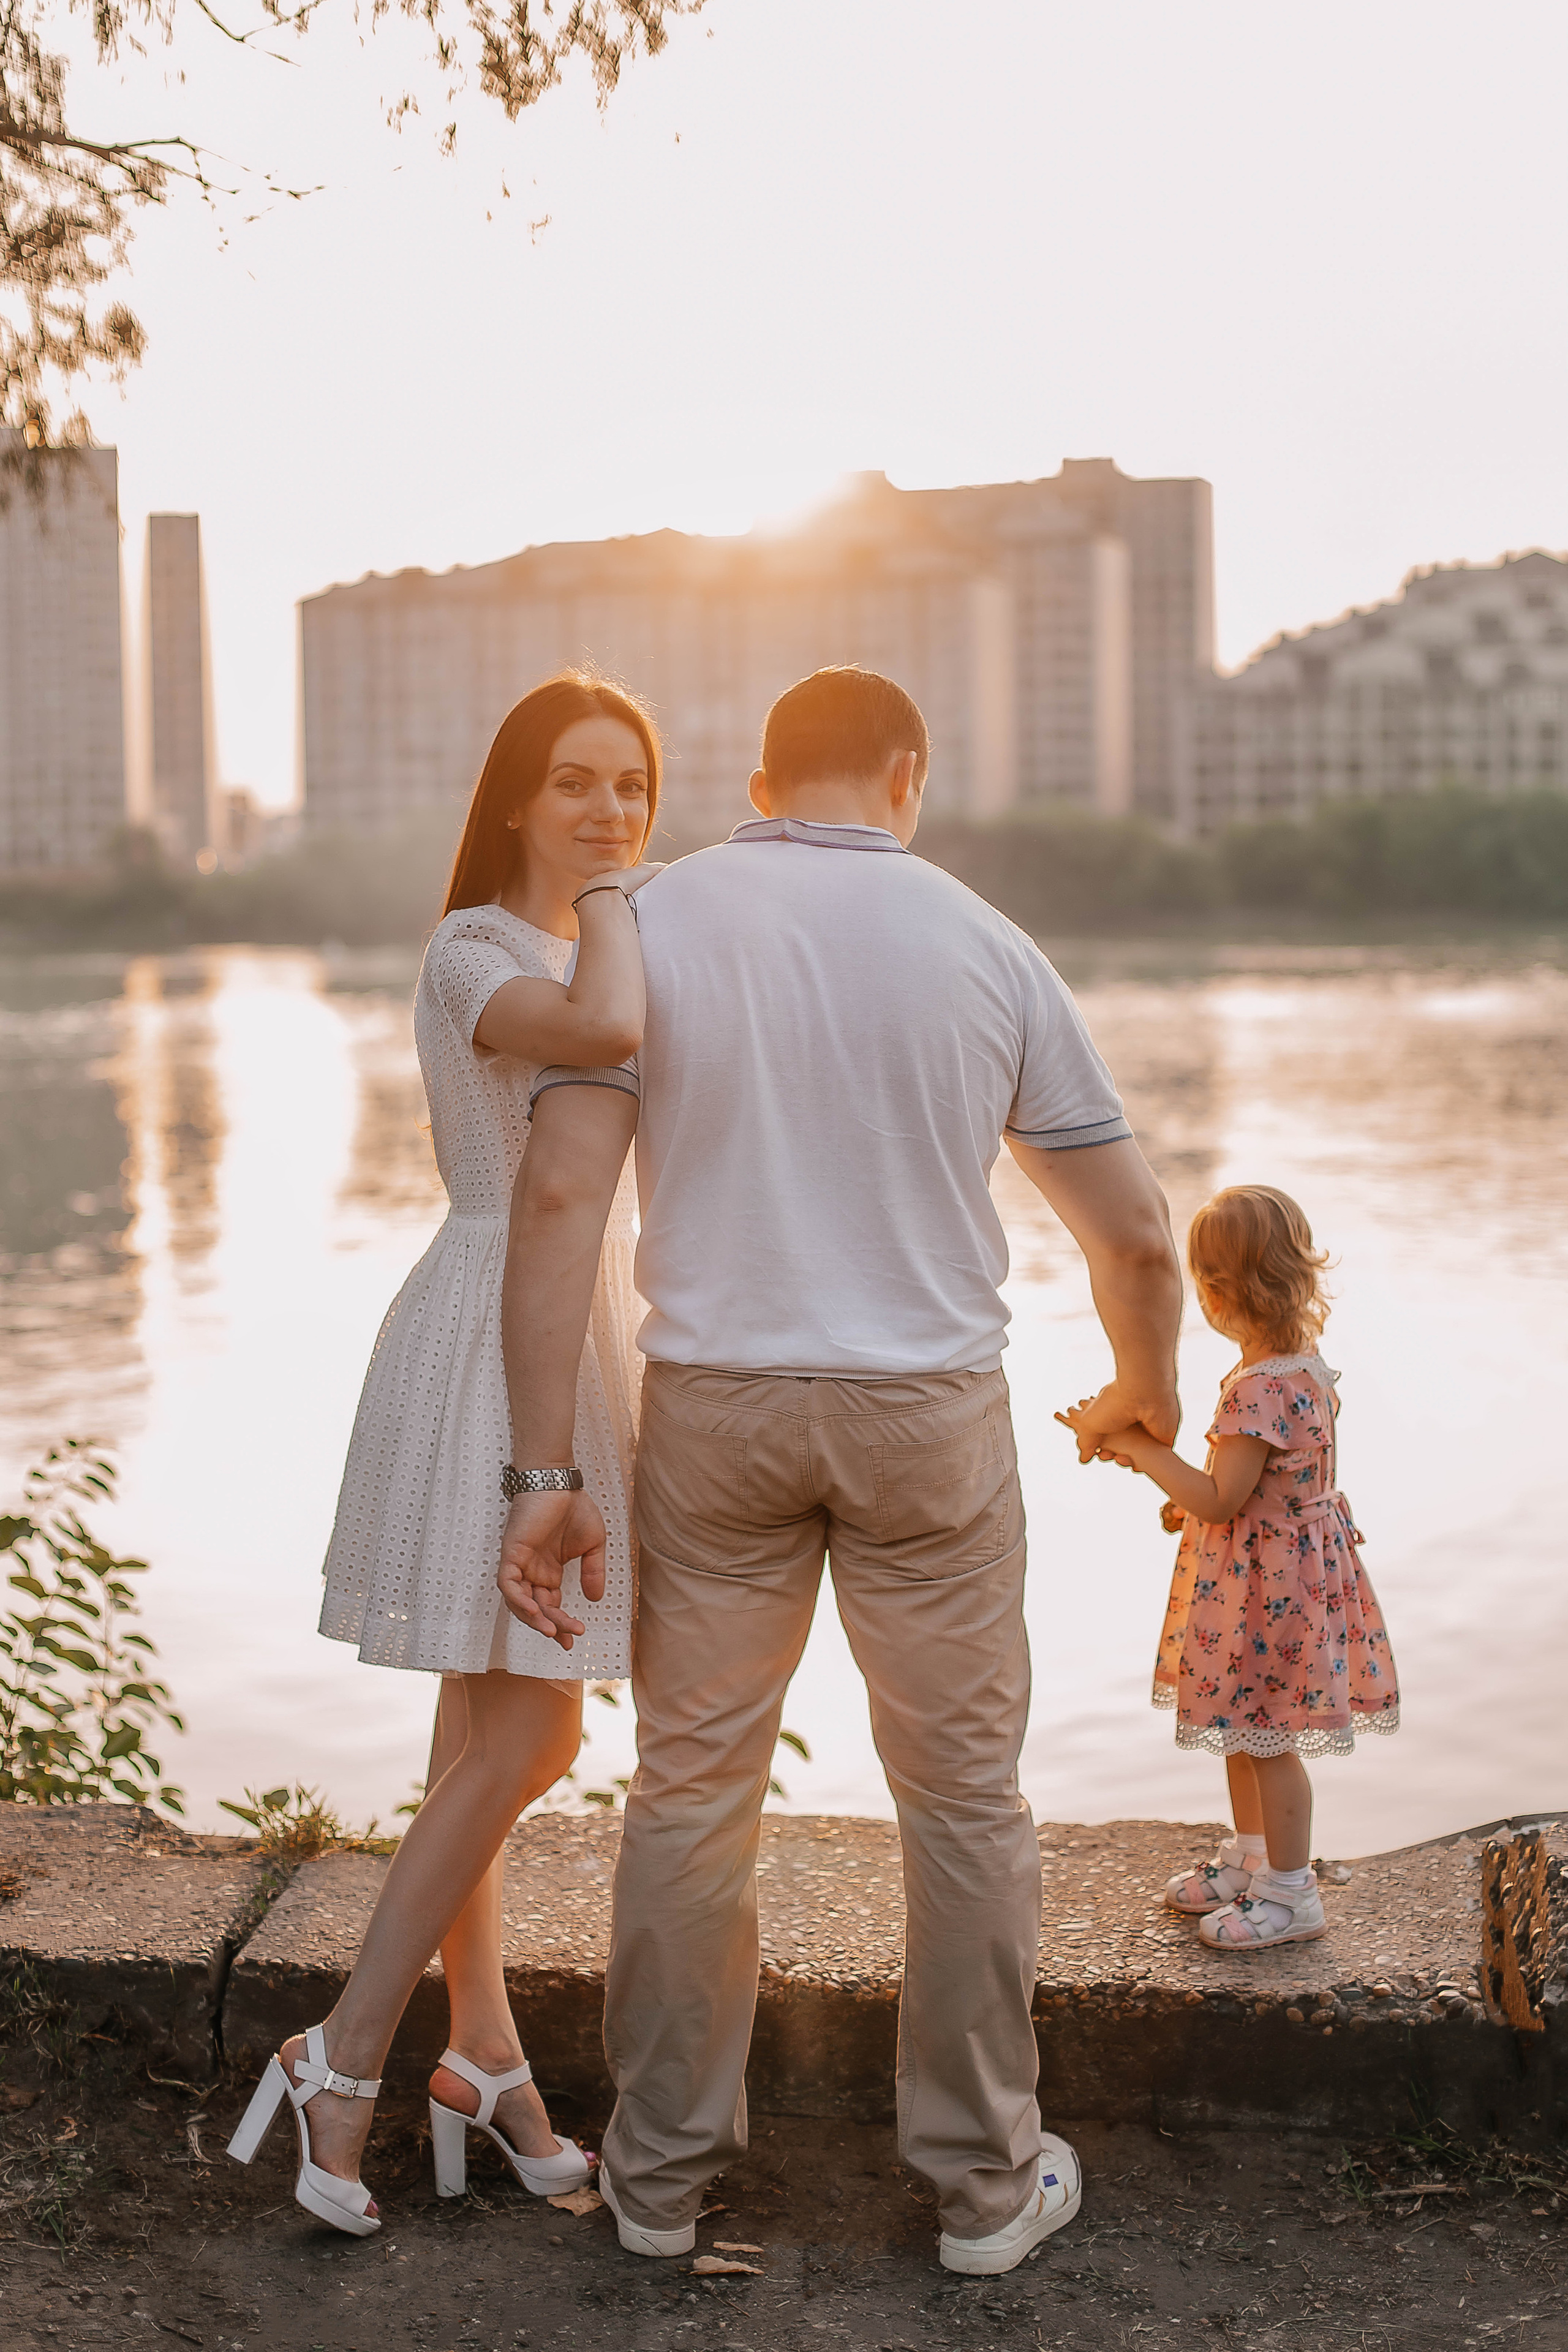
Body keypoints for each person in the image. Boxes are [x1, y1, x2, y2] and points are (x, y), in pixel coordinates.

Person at [495, 666, 1184, 2278]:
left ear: (759, 777)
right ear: (907, 774)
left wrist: (541, 1469)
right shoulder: (984, 942)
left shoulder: (650, 924)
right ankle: (983, 2186)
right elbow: (1138, 1234)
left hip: (716, 1413)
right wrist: (1145, 1395)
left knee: (689, 1796)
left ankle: (657, 2185)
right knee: (961, 1806)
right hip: (925, 1418)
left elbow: (557, 1209)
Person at [227, 673, 663, 2235]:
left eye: (630, 783)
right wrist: (625, 891)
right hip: (492, 1328)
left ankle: (482, 2055)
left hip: (579, 1321)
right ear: (513, 801)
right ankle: (339, 2049)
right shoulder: (479, 947)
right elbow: (607, 1028)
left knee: (477, 1734)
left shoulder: (585, 930)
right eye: (575, 783)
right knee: (531, 1742)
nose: (608, 808)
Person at [1058, 1184, 1399, 1950]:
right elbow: (1252, 1490)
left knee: (1269, 1735)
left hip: (1268, 1591)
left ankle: (1291, 1892)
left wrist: (1144, 1452)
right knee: (1243, 1725)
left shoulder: (1259, 1387)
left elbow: (1220, 1499)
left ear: (1215, 1291)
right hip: (1280, 1575)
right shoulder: (1298, 1366)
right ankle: (1253, 1858)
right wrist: (1182, 1502)